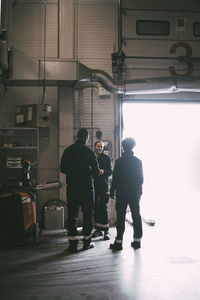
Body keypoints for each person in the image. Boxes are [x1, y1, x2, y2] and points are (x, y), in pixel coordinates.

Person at [60, 128, 100, 252]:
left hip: (72, 187)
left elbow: (63, 168)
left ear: (77, 136)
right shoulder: (89, 152)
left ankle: (72, 243)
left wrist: (73, 173)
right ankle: (87, 242)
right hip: (87, 188)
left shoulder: (68, 150)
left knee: (72, 215)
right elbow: (96, 171)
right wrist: (86, 173)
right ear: (87, 138)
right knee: (88, 215)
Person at [109, 137, 144, 250]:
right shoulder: (138, 161)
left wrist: (112, 191)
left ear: (123, 147)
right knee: (136, 216)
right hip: (134, 192)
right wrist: (139, 192)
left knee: (121, 217)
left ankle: (118, 243)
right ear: (133, 146)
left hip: (122, 193)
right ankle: (137, 241)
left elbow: (115, 178)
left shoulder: (119, 161)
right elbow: (141, 179)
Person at [92, 141, 112, 240]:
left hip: (103, 186)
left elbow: (110, 172)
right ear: (94, 147)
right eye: (98, 146)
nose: (99, 148)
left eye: (101, 147)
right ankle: (98, 229)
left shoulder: (106, 158)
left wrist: (103, 171)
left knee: (103, 207)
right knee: (95, 207)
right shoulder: (91, 158)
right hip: (93, 186)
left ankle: (106, 231)